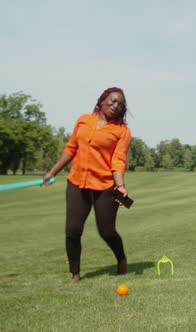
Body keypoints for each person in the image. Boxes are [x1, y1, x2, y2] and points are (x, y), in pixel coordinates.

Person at [43, 87, 132, 283]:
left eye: (120, 104)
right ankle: (75, 274)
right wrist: (52, 172)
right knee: (72, 230)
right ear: (101, 101)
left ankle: (121, 258)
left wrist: (120, 186)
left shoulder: (122, 132)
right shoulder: (84, 120)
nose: (115, 105)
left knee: (106, 230)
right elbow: (71, 148)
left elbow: (118, 160)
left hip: (105, 187)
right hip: (77, 183)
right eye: (112, 100)